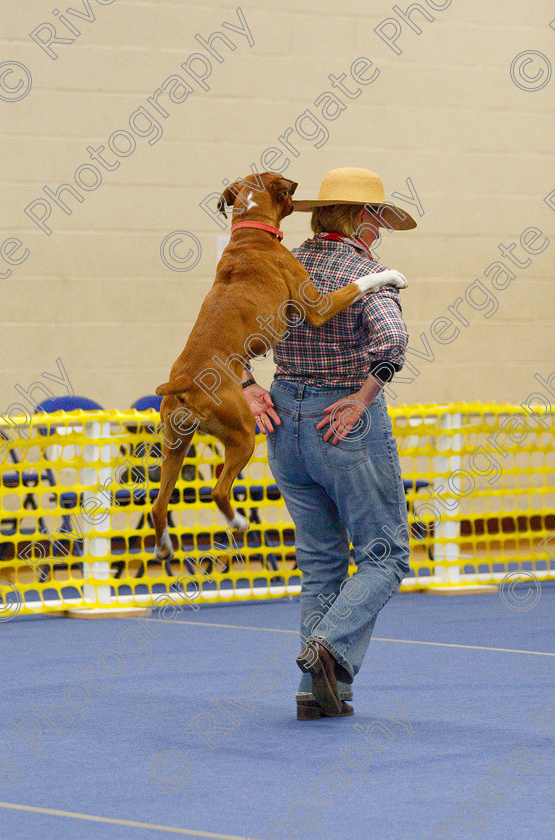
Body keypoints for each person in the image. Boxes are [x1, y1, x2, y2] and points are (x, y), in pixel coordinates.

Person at [241, 167, 415, 720]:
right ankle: (330, 647)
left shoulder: (281, 263)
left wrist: (247, 386)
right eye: (381, 220)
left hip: (282, 417)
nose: (381, 231)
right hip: (341, 421)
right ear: (365, 220)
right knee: (385, 557)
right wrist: (361, 400)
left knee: (320, 560)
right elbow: (392, 343)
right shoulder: (368, 272)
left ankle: (318, 694)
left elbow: (229, 323)